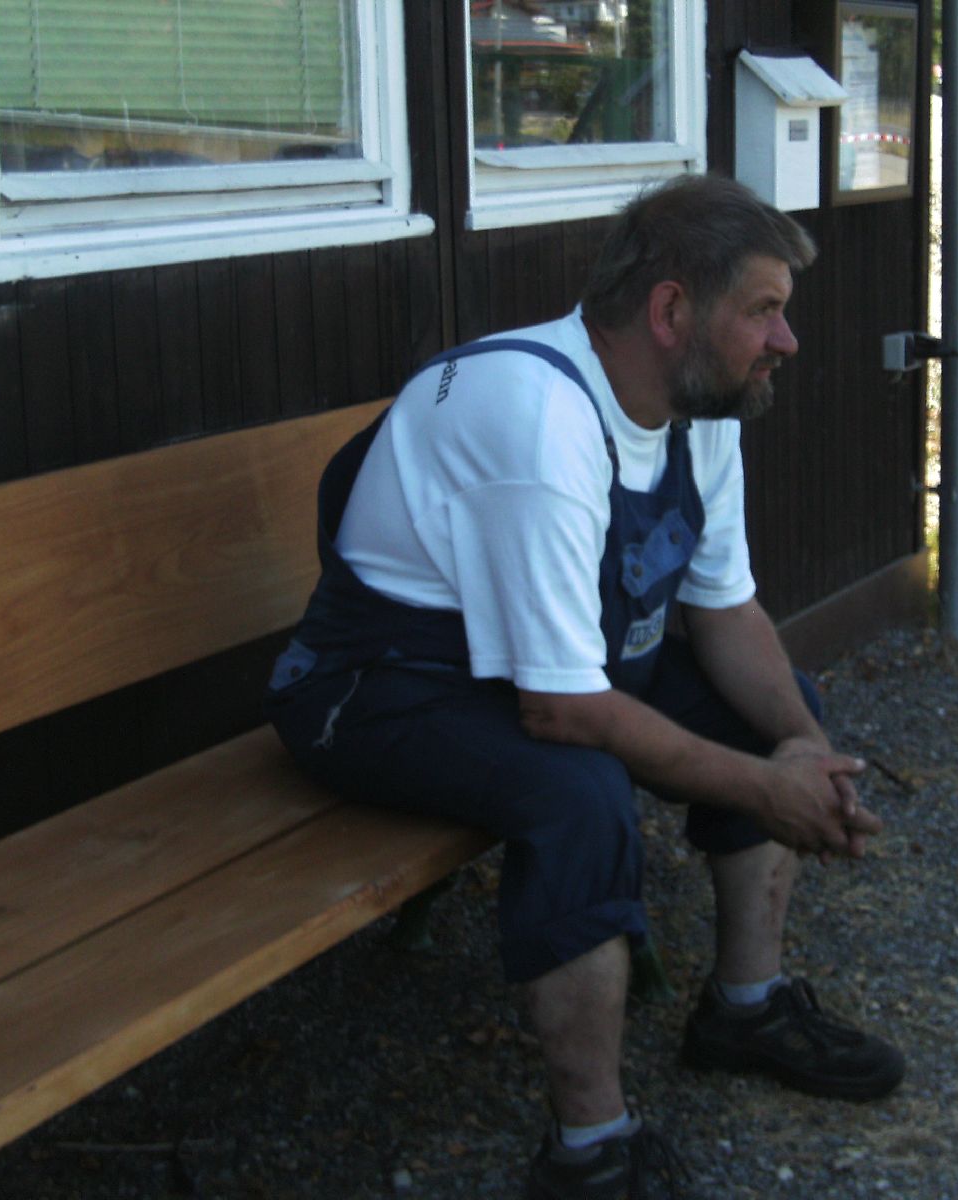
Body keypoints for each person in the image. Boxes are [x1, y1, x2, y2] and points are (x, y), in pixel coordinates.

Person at [266, 174, 903, 1199]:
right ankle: (590, 1150)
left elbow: (727, 612)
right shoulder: (538, 418)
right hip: (377, 689)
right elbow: (561, 711)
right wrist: (765, 791)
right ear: (671, 311)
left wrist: (800, 750)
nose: (785, 341)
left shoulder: (701, 408)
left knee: (773, 708)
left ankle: (745, 1009)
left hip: (552, 664)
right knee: (578, 795)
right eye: (763, 311)